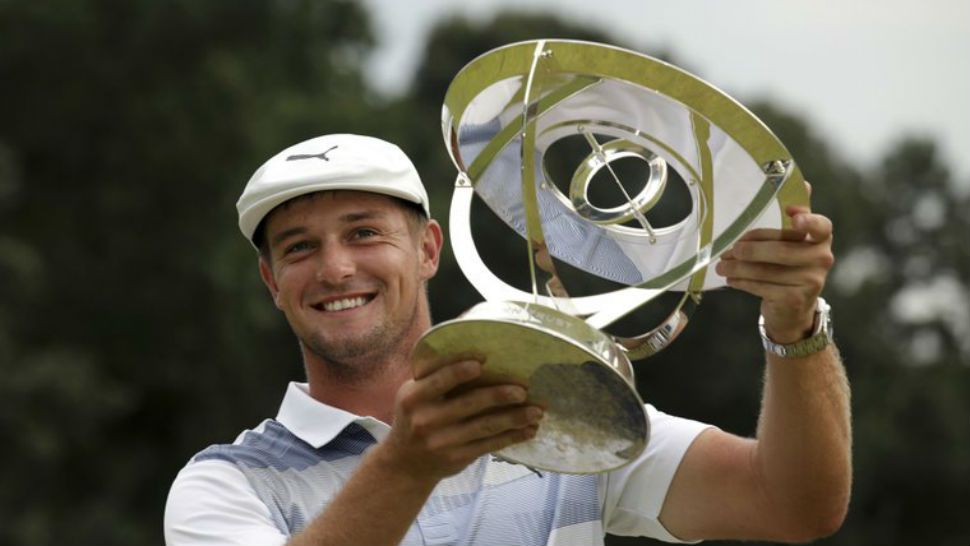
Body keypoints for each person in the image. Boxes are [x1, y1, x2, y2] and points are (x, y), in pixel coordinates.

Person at [164, 134, 851, 545]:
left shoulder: (558, 420)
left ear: (428, 248)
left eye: (364, 232)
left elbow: (795, 504)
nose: (336, 267)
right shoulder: (225, 484)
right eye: (300, 247)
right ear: (270, 279)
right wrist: (407, 464)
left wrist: (796, 324)